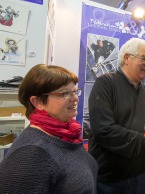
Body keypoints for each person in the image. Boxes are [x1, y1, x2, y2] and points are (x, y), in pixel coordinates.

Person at [0, 64, 98, 194]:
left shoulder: (68, 135)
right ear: (38, 102)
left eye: (74, 91)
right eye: (65, 94)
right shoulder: (31, 154)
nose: (75, 98)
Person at [88, 38, 145, 194]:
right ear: (127, 58)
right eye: (144, 58)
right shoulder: (105, 84)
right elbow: (104, 130)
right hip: (109, 180)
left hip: (139, 174)